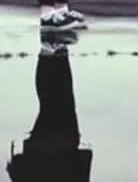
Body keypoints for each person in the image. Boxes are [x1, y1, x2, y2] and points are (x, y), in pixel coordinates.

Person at [6, 31, 92, 182]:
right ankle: (52, 44)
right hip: (44, 153)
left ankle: (54, 43)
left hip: (59, 151)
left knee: (58, 101)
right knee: (54, 102)